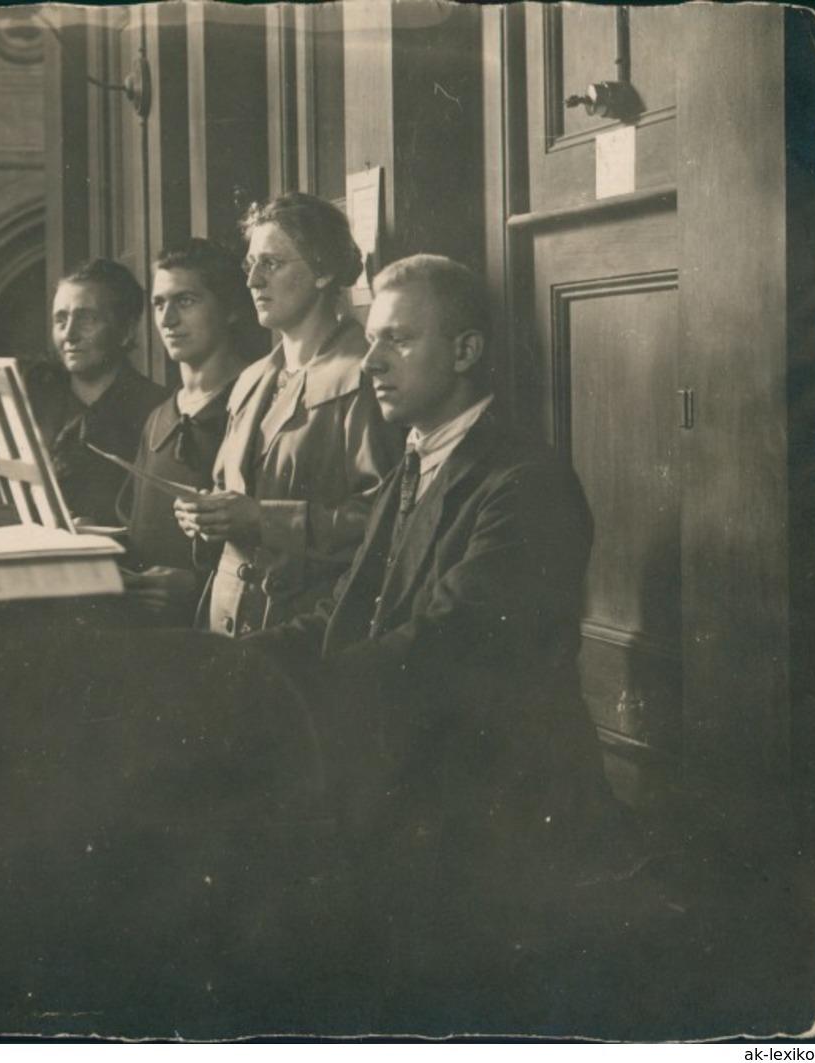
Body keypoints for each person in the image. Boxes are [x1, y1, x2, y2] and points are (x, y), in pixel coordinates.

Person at [247, 255, 607, 1022]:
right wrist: (243, 663)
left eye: (398, 341)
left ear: (465, 351)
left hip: (492, 820)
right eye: (370, 340)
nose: (371, 361)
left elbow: (450, 640)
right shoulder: (415, 457)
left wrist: (294, 694)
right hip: (405, 786)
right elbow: (351, 612)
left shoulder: (523, 479)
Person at [175, 193, 402, 637]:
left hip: (306, 630)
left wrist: (262, 519)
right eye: (250, 266)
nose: (254, 281)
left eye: (272, 264)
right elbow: (233, 493)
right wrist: (208, 516)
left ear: (322, 271)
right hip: (226, 626)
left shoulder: (365, 377)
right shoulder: (251, 380)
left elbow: (388, 523)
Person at [120, 239, 253, 625]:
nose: (167, 319)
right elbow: (138, 529)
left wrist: (198, 587)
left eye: (186, 301)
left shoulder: (258, 403)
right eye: (159, 303)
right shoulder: (159, 416)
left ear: (228, 309)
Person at [27, 258, 166, 529]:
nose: (69, 334)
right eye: (61, 319)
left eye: (87, 319)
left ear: (126, 330)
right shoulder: (34, 406)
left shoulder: (157, 412)